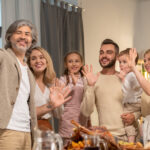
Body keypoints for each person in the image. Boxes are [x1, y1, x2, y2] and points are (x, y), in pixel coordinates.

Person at [81, 39, 140, 141]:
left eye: (109, 52)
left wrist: (134, 116)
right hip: (103, 138)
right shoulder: (92, 79)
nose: (104, 56)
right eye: (101, 52)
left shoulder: (126, 78)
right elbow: (86, 111)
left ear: (117, 57)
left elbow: (139, 104)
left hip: (127, 137)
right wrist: (90, 86)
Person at [0, 19, 38, 150]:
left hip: (27, 133)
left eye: (27, 34)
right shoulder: (4, 56)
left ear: (32, 41)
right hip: (7, 130)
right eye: (18, 32)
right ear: (9, 37)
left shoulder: (29, 71)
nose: (23, 36)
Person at [27, 46, 71, 131]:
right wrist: (51, 105)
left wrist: (58, 101)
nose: (38, 61)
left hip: (46, 128)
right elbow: (26, 113)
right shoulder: (26, 84)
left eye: (41, 57)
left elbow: (58, 114)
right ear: (29, 64)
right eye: (33, 58)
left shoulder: (51, 85)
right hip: (28, 128)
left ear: (47, 62)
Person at [58, 51, 89, 144]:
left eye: (77, 61)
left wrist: (89, 120)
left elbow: (88, 100)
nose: (74, 64)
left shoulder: (85, 79)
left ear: (81, 63)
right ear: (65, 64)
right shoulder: (62, 79)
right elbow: (60, 97)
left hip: (82, 119)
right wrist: (73, 84)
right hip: (67, 120)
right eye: (70, 61)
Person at [117, 48, 142, 143]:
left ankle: (130, 142)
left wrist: (123, 79)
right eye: (120, 62)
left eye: (124, 62)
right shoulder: (130, 74)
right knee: (133, 123)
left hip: (134, 102)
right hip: (133, 102)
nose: (121, 65)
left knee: (127, 121)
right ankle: (139, 134)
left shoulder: (132, 74)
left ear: (132, 63)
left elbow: (131, 88)